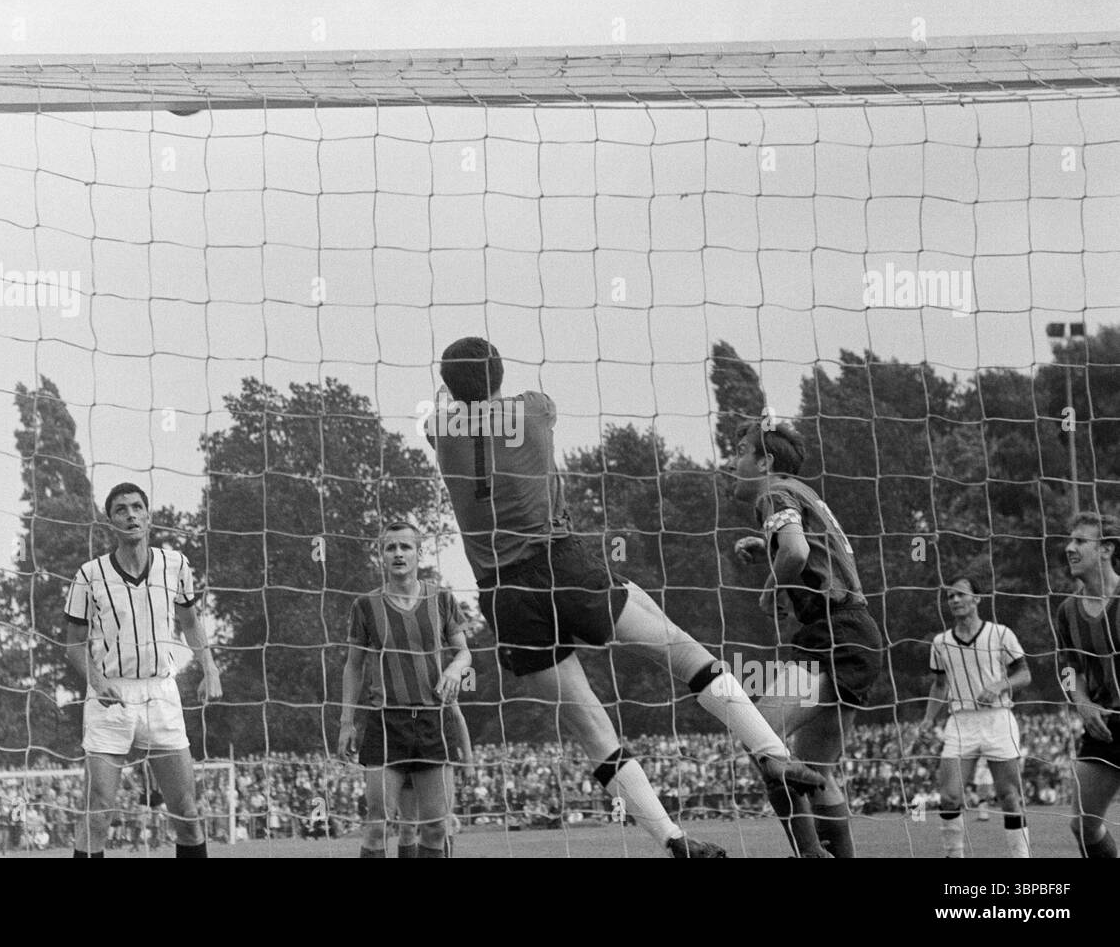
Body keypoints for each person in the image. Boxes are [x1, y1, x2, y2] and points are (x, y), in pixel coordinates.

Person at [426, 337, 824, 859]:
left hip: (503, 594)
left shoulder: (439, 432)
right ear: (498, 375)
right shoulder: (534, 408)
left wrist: (459, 393)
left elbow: (444, 408)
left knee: (592, 728)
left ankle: (674, 842)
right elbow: (502, 399)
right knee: (680, 651)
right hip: (560, 562)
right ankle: (770, 753)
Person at [729, 420, 884, 857]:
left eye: (741, 450)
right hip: (857, 632)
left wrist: (770, 587)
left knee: (759, 735)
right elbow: (810, 552)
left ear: (766, 460)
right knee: (817, 771)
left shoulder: (773, 492)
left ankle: (811, 853)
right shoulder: (803, 492)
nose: (733, 461)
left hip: (834, 633)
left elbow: (796, 552)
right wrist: (769, 550)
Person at [63, 482, 223, 858]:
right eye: (121, 509)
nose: (131, 515)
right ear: (110, 522)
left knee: (186, 811)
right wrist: (97, 681)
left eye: (137, 507)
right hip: (109, 696)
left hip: (160, 691)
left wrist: (209, 667)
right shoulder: (89, 575)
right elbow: (72, 643)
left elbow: (189, 621)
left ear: (148, 516)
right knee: (99, 810)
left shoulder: (176, 564)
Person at [338, 521, 473, 858]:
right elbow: (354, 666)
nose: (398, 553)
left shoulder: (441, 599)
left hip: (432, 720)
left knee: (435, 826)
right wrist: (346, 722)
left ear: (418, 552)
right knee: (377, 824)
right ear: (381, 555)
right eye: (390, 547)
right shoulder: (365, 606)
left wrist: (457, 667)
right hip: (386, 722)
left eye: (405, 547)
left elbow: (464, 651)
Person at [921, 575, 1031, 857]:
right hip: (960, 722)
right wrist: (928, 718)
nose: (955, 600)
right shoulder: (940, 642)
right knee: (949, 796)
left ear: (977, 599)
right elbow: (939, 684)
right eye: (950, 597)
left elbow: (1024, 674)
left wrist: (999, 686)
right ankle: (953, 855)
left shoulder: (1001, 634)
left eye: (960, 594)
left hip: (998, 719)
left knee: (1010, 797)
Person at [1052, 511, 1120, 858]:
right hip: (1105, 727)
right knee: (1084, 826)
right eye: (1070, 540)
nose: (1069, 547)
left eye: (1080, 540)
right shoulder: (1067, 611)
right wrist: (1081, 701)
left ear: (1106, 549)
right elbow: (1067, 668)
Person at [394, 701, 473, 857]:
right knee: (408, 825)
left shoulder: (442, 684)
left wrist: (468, 759)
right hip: (403, 752)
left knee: (443, 822)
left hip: (434, 753)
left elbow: (459, 718)